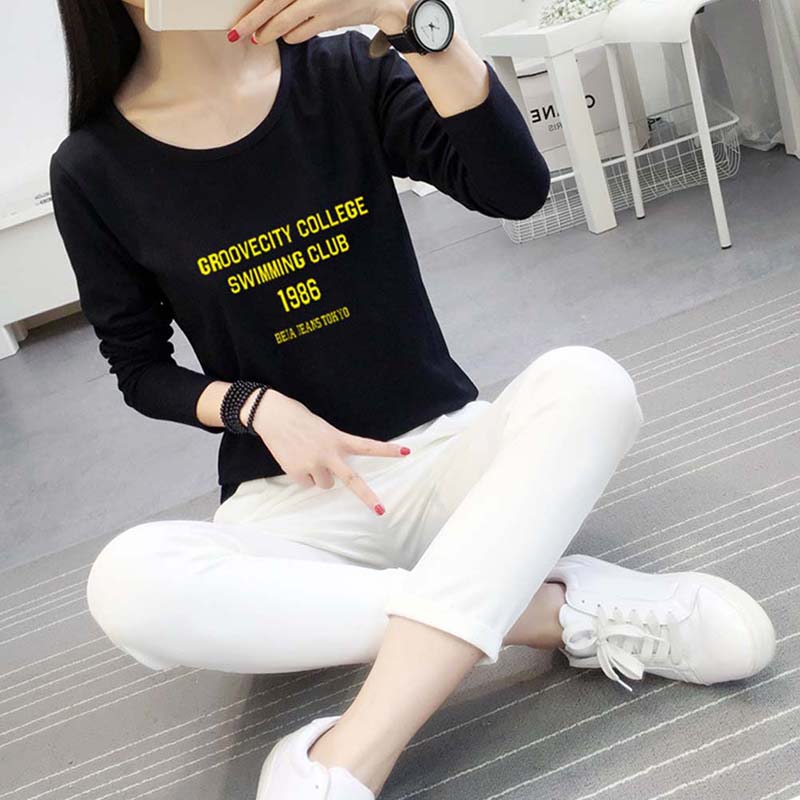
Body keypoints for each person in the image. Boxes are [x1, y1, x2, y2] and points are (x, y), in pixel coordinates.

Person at [49, 1, 777, 798]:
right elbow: (139, 367)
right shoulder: (93, 166)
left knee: (589, 383)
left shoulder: (343, 72)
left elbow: (515, 189)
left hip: (445, 459)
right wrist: (253, 407)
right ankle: (552, 609)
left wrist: (414, 20)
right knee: (128, 584)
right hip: (295, 506)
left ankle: (350, 754)